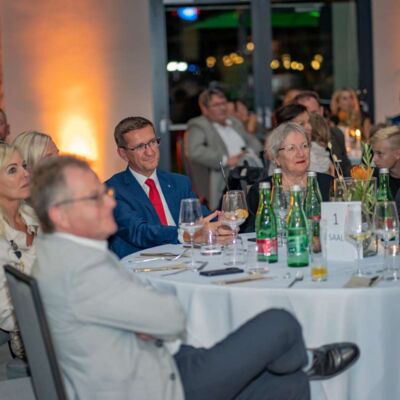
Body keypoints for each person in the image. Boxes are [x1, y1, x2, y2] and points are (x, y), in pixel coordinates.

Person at [30, 155, 359, 400]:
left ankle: (301, 364)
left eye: (105, 193)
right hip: (152, 384)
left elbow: (140, 314)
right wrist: (147, 318)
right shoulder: (82, 269)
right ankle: (307, 358)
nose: (109, 203)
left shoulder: (57, 253)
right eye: (95, 197)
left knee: (291, 385)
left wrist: (142, 320)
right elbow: (171, 317)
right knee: (280, 323)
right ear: (60, 214)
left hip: (154, 359)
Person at [105, 116, 228, 259]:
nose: (150, 152)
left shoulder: (179, 182)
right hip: (142, 264)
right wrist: (186, 235)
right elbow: (139, 232)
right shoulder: (112, 190)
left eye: (152, 142)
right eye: (139, 147)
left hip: (188, 259)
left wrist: (221, 225)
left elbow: (201, 218)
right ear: (123, 154)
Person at [244, 122, 333, 232]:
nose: (301, 154)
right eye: (291, 148)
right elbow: (251, 232)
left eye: (304, 146)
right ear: (276, 158)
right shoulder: (262, 191)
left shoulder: (328, 184)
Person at [186, 88, 263, 209]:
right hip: (225, 176)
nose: (222, 108)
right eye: (216, 105)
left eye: (224, 103)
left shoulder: (233, 122)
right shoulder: (199, 125)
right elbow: (195, 151)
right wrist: (226, 160)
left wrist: (246, 153)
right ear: (205, 109)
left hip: (248, 170)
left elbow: (255, 143)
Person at [0, 142, 39, 359]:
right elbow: (9, 314)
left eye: (23, 166)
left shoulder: (33, 216)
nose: (25, 173)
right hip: (34, 333)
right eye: (12, 170)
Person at [293, 90, 351, 176]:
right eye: (305, 115)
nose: (310, 120)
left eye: (314, 113)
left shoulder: (336, 134)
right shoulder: (293, 144)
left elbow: (346, 169)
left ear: (321, 111)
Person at [370, 126, 400, 202]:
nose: (374, 159)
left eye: (380, 153)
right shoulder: (373, 178)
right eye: (373, 153)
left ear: (397, 154)